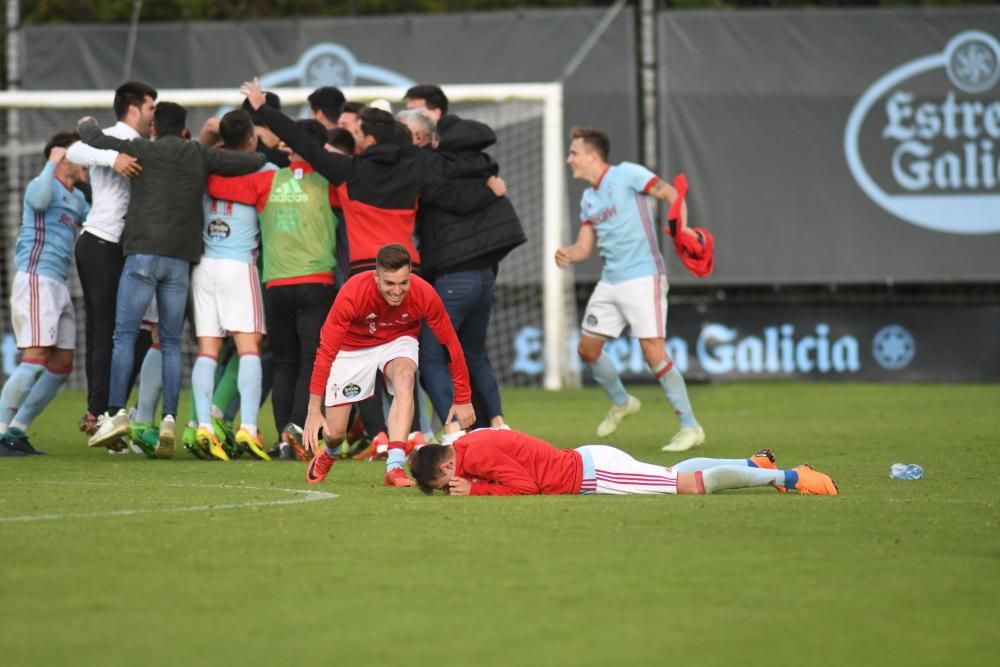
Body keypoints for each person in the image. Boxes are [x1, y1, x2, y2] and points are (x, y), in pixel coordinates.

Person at [80, 102, 267, 455]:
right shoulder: (198, 154)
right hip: (182, 260)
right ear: (184, 128)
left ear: (154, 128)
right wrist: (267, 146)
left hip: (144, 254)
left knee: (126, 335)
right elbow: (250, 161)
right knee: (170, 342)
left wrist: (86, 122)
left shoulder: (142, 149)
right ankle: (170, 419)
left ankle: (119, 413)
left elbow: (93, 139)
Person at [556, 126, 705, 453]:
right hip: (610, 281)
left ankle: (690, 426)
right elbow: (585, 248)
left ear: (592, 156)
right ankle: (622, 402)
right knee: (587, 350)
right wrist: (569, 252)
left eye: (574, 153)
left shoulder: (627, 174)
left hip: (643, 277)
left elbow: (670, 193)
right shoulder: (588, 198)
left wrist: (684, 227)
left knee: (653, 352)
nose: (569, 160)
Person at [205, 119, 339, 461]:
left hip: (275, 284)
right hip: (316, 282)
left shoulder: (267, 180)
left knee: (283, 362)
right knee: (311, 359)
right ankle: (298, 429)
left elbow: (216, 185)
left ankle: (283, 438)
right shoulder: (331, 182)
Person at [302, 244, 475, 487]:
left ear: (410, 276)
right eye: (389, 284)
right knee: (335, 433)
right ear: (376, 277)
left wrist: (463, 397)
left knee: (405, 378)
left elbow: (452, 344)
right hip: (352, 347)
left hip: (397, 339)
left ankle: (394, 468)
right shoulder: (352, 293)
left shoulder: (424, 293)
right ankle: (329, 454)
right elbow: (325, 352)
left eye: (403, 283)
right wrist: (312, 410)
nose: (397, 291)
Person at [406, 108, 526, 435]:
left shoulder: (432, 167)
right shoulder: (481, 167)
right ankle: (499, 424)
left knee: (431, 357)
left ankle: (454, 428)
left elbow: (448, 198)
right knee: (474, 355)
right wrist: (489, 191)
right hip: (485, 277)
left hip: (452, 281)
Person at [66, 81, 154, 438]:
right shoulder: (113, 138)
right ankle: (102, 412)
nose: (152, 115)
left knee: (133, 332)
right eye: (150, 107)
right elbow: (72, 151)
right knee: (109, 330)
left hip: (115, 246)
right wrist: (111, 157)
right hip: (100, 243)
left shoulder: (145, 145)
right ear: (133, 109)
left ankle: (104, 409)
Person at [188, 109, 273, 461]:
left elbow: (202, 137)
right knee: (249, 347)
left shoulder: (203, 167)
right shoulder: (266, 173)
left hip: (204, 266)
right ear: (251, 138)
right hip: (239, 266)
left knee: (208, 350)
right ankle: (249, 427)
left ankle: (203, 425)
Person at [409, 428, 839, 497]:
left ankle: (791, 476)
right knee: (678, 471)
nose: (453, 487)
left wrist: (477, 490)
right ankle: (754, 463)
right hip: (590, 459)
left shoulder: (475, 456)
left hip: (595, 474)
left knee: (688, 486)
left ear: (447, 469)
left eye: (447, 485)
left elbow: (526, 487)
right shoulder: (468, 442)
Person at [0, 133, 89, 457]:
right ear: (65, 156)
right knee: (36, 357)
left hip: (59, 285)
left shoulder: (77, 198)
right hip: (36, 279)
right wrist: (52, 162)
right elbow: (37, 201)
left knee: (62, 364)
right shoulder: (44, 185)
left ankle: (17, 429)